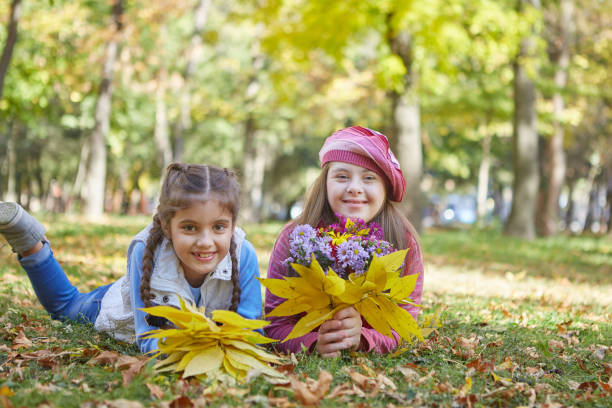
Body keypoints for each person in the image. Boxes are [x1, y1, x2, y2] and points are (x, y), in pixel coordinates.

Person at [0, 163, 262, 354]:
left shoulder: (243, 253)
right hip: (122, 307)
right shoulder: (144, 249)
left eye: (218, 227)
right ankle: (30, 241)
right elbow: (147, 338)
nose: (205, 241)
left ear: (232, 225)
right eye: (190, 227)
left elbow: (251, 333)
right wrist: (195, 346)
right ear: (168, 227)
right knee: (65, 308)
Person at [265, 126, 424, 357]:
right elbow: (275, 326)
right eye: (342, 176)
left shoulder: (401, 241)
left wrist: (363, 339)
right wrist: (313, 343)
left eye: (369, 178)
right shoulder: (296, 238)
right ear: (325, 182)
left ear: (385, 187)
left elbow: (405, 326)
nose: (354, 188)